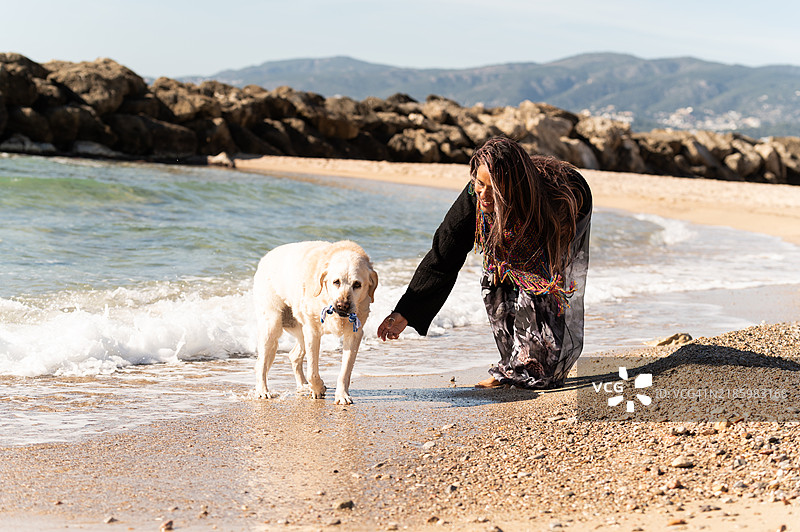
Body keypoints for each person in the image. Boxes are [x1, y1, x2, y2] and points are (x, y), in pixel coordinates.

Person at [377, 136, 592, 389]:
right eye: (480, 183)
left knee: (538, 286)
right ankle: (510, 365)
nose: (485, 194)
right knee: (494, 278)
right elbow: (444, 254)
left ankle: (529, 366)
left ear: (513, 186)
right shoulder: (474, 197)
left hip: (567, 210)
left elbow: (547, 279)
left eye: (495, 188)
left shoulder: (555, 203)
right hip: (520, 215)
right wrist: (406, 311)